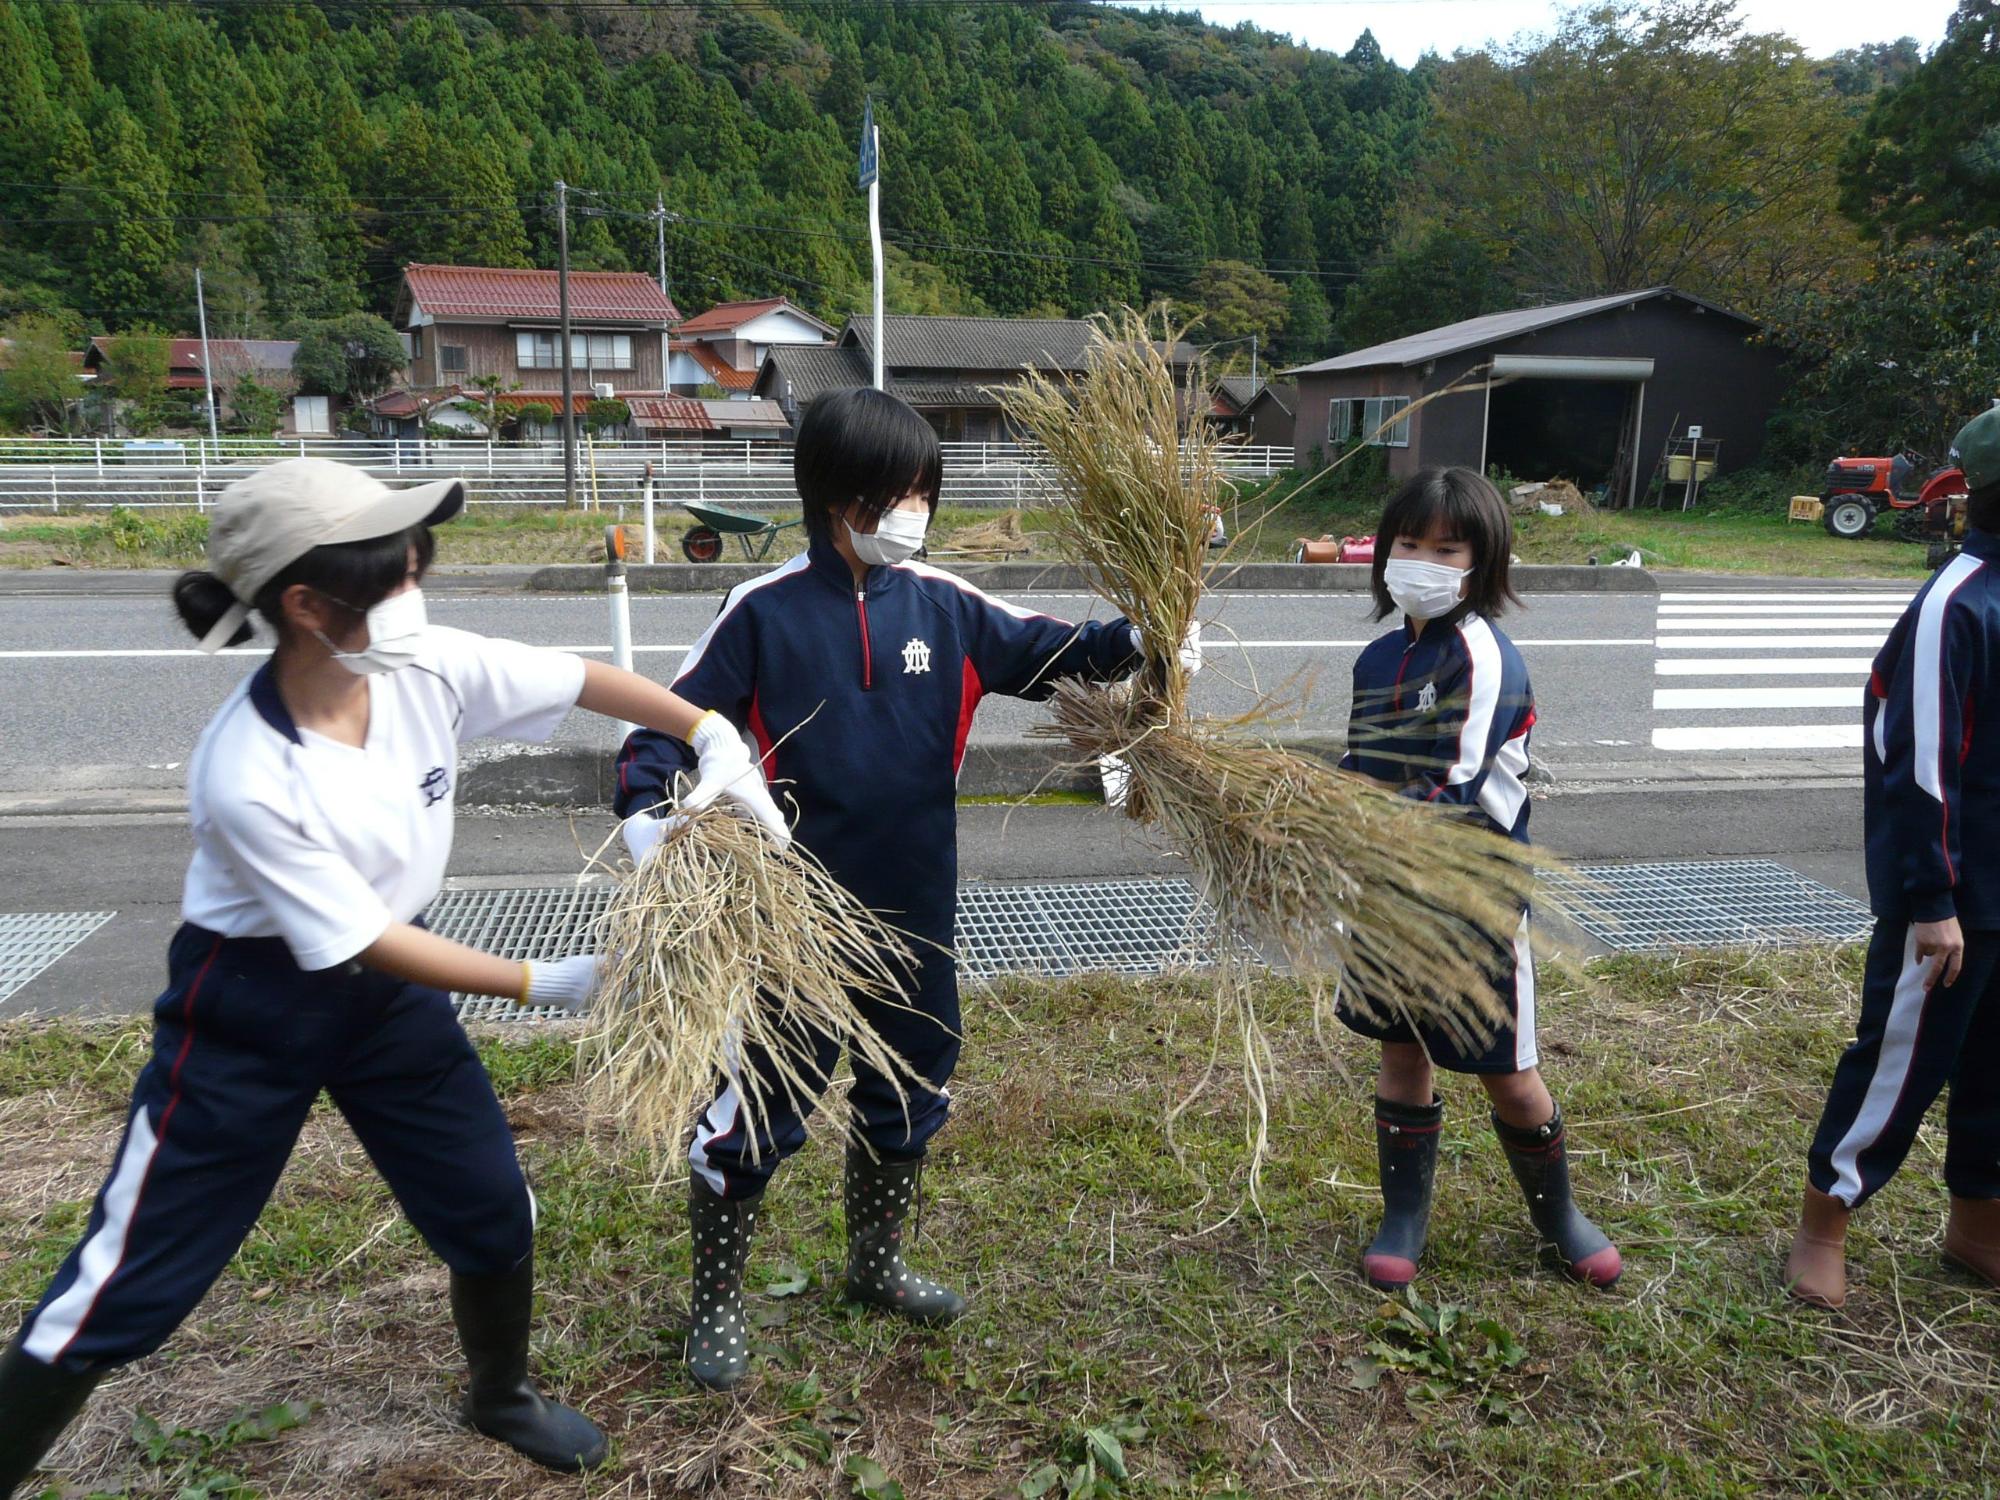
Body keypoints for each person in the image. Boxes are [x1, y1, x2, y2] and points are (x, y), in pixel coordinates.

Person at [0, 459, 784, 1496]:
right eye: (395, 569)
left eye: (416, 558)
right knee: (127, 1282)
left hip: (386, 1005)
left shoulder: (421, 664)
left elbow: (577, 678)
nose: (418, 583)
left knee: (490, 1207)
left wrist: (703, 728)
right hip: (247, 1012)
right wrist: (547, 980)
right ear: (307, 604)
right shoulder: (249, 771)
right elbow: (358, 934)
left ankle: (497, 1394)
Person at [613, 387, 1196, 1391]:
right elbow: (660, 726)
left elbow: (1054, 647)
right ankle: (714, 1302)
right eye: (893, 493)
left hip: (916, 911)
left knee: (912, 1086)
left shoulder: (945, 604)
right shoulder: (762, 614)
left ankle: (874, 1268)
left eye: (923, 490)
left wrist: (1144, 639)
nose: (911, 512)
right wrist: (651, 818)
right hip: (793, 926)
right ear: (834, 496)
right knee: (761, 1103)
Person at [1334, 467, 1621, 1292]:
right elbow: (1364, 762)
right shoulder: (1380, 655)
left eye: (1445, 547)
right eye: (1408, 543)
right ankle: (1403, 1217)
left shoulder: (1485, 656)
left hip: (1471, 900)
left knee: (1509, 1072)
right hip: (1387, 891)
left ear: (1482, 559)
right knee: (1400, 1052)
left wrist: (1343, 813)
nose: (1421, 559)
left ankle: (1557, 1215)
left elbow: (1448, 784)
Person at [1785, 407, 2000, 1308]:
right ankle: (1822, 1222)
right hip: (1953, 890)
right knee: (1899, 1058)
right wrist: (1930, 896)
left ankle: (1976, 1225)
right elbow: (1915, 759)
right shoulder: (1956, 603)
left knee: (1996, 1066)